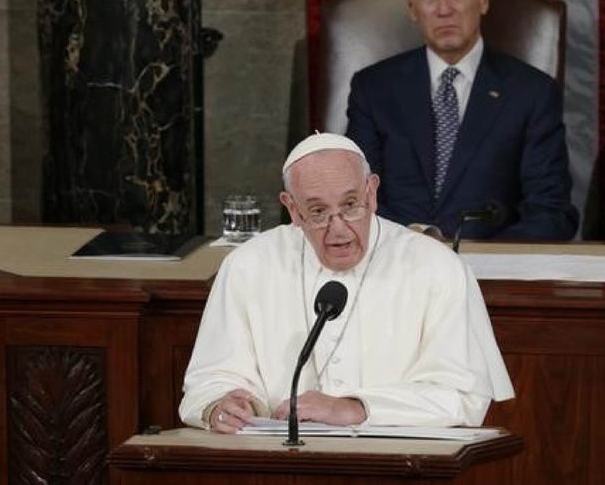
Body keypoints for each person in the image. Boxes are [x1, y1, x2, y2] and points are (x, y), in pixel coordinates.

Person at [179, 133, 514, 432]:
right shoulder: (249, 265)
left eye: (351, 206)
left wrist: (352, 408)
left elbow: (462, 396)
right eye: (318, 212)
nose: (338, 229)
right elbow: (212, 378)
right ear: (292, 209)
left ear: (372, 192)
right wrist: (224, 406)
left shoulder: (436, 267)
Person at [346, 0, 579, 241]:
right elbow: (355, 200)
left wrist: (475, 261)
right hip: (392, 268)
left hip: (490, 276)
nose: (444, 9)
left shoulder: (532, 93)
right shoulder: (373, 89)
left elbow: (551, 211)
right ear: (412, 7)